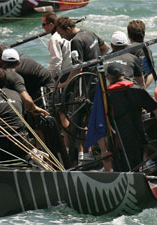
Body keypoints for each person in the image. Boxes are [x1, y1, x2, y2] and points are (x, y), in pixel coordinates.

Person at [55, 16, 110, 164]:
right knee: (97, 114)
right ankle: (96, 151)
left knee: (79, 119)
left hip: (86, 86)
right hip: (98, 79)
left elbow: (77, 68)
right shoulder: (89, 33)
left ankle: (79, 156)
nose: (62, 38)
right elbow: (105, 47)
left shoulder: (75, 41)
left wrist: (64, 84)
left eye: (61, 34)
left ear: (68, 29)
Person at [106, 63, 157, 171]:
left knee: (122, 169)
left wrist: (104, 149)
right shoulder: (137, 90)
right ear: (124, 74)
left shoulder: (106, 95)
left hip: (117, 141)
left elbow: (99, 122)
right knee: (137, 166)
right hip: (138, 137)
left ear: (107, 77)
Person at [42, 12, 72, 81]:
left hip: (65, 75)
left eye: (43, 24)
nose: (42, 27)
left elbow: (56, 62)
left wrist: (49, 78)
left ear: (51, 25)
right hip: (72, 69)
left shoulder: (54, 39)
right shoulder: (65, 33)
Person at [127, 20, 154, 88]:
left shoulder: (127, 49)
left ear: (129, 35)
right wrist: (143, 88)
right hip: (142, 87)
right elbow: (151, 74)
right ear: (144, 34)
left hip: (131, 87)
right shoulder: (148, 50)